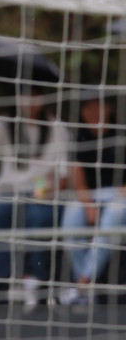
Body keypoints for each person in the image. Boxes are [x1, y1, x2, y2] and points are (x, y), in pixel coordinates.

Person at [0, 87, 70, 306]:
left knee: (39, 218)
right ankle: (7, 281)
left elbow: (62, 175)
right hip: (8, 192)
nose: (30, 101)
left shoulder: (57, 128)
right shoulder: (5, 123)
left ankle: (36, 280)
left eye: (35, 95)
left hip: (43, 193)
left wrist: (43, 186)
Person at [59, 91, 126, 305]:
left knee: (113, 218)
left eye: (97, 106)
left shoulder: (121, 132)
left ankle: (83, 282)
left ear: (109, 108)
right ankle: (86, 289)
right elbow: (78, 179)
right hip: (90, 194)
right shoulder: (79, 137)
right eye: (87, 108)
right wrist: (88, 205)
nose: (93, 112)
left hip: (119, 193)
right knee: (71, 219)